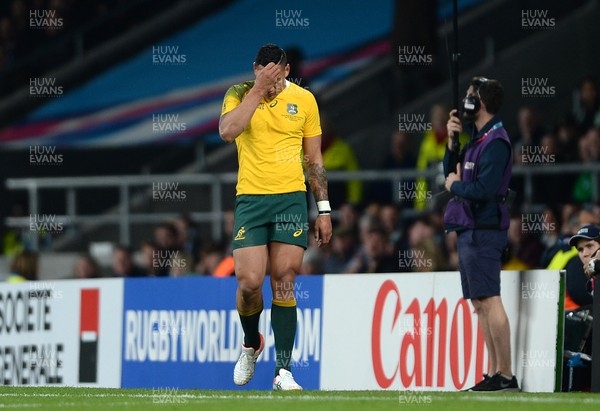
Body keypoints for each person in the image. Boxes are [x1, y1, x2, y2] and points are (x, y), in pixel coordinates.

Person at [219, 44, 332, 390]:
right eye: (263, 74)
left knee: (284, 278)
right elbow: (227, 131)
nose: (272, 81)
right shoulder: (239, 94)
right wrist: (257, 90)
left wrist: (323, 209)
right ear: (256, 70)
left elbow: (314, 160)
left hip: (291, 200)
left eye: (276, 75)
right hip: (251, 201)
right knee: (249, 283)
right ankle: (251, 344)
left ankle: (283, 372)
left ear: (286, 70)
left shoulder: (305, 100)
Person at [443, 76, 518, 392]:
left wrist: (454, 187)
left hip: (484, 227)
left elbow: (483, 189)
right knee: (479, 302)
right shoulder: (478, 138)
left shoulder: (496, 142)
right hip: (470, 227)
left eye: (470, 96)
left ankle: (506, 374)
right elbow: (450, 167)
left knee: (490, 298)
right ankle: (493, 372)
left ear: (480, 103)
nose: (465, 101)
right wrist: (451, 141)